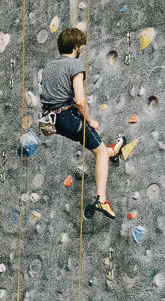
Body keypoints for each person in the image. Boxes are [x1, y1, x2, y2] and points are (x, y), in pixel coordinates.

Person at [38, 27, 123, 220]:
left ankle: (111, 151)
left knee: (96, 147)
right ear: (76, 47)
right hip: (66, 117)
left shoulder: (50, 65)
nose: (82, 49)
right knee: (99, 152)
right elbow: (80, 100)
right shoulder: (75, 65)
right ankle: (101, 200)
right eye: (81, 46)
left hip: (47, 120)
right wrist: (91, 120)